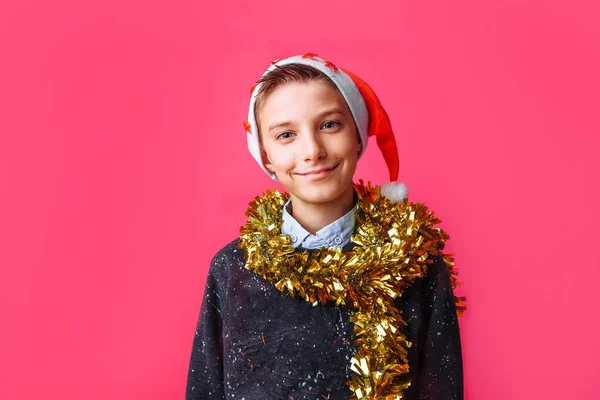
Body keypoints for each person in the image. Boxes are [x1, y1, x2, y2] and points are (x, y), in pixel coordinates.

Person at [185, 53, 466, 399]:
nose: (313, 151)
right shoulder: (232, 269)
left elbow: (442, 388)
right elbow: (205, 389)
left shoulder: (415, 263)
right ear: (266, 156)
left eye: (329, 125)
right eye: (286, 134)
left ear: (358, 136)